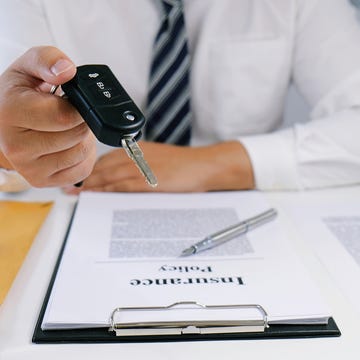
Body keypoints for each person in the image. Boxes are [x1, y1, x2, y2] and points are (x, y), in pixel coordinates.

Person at [1, 0, 360, 194]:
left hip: (239, 209)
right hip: (72, 203)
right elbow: (10, 101)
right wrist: (11, 144)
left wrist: (218, 164)